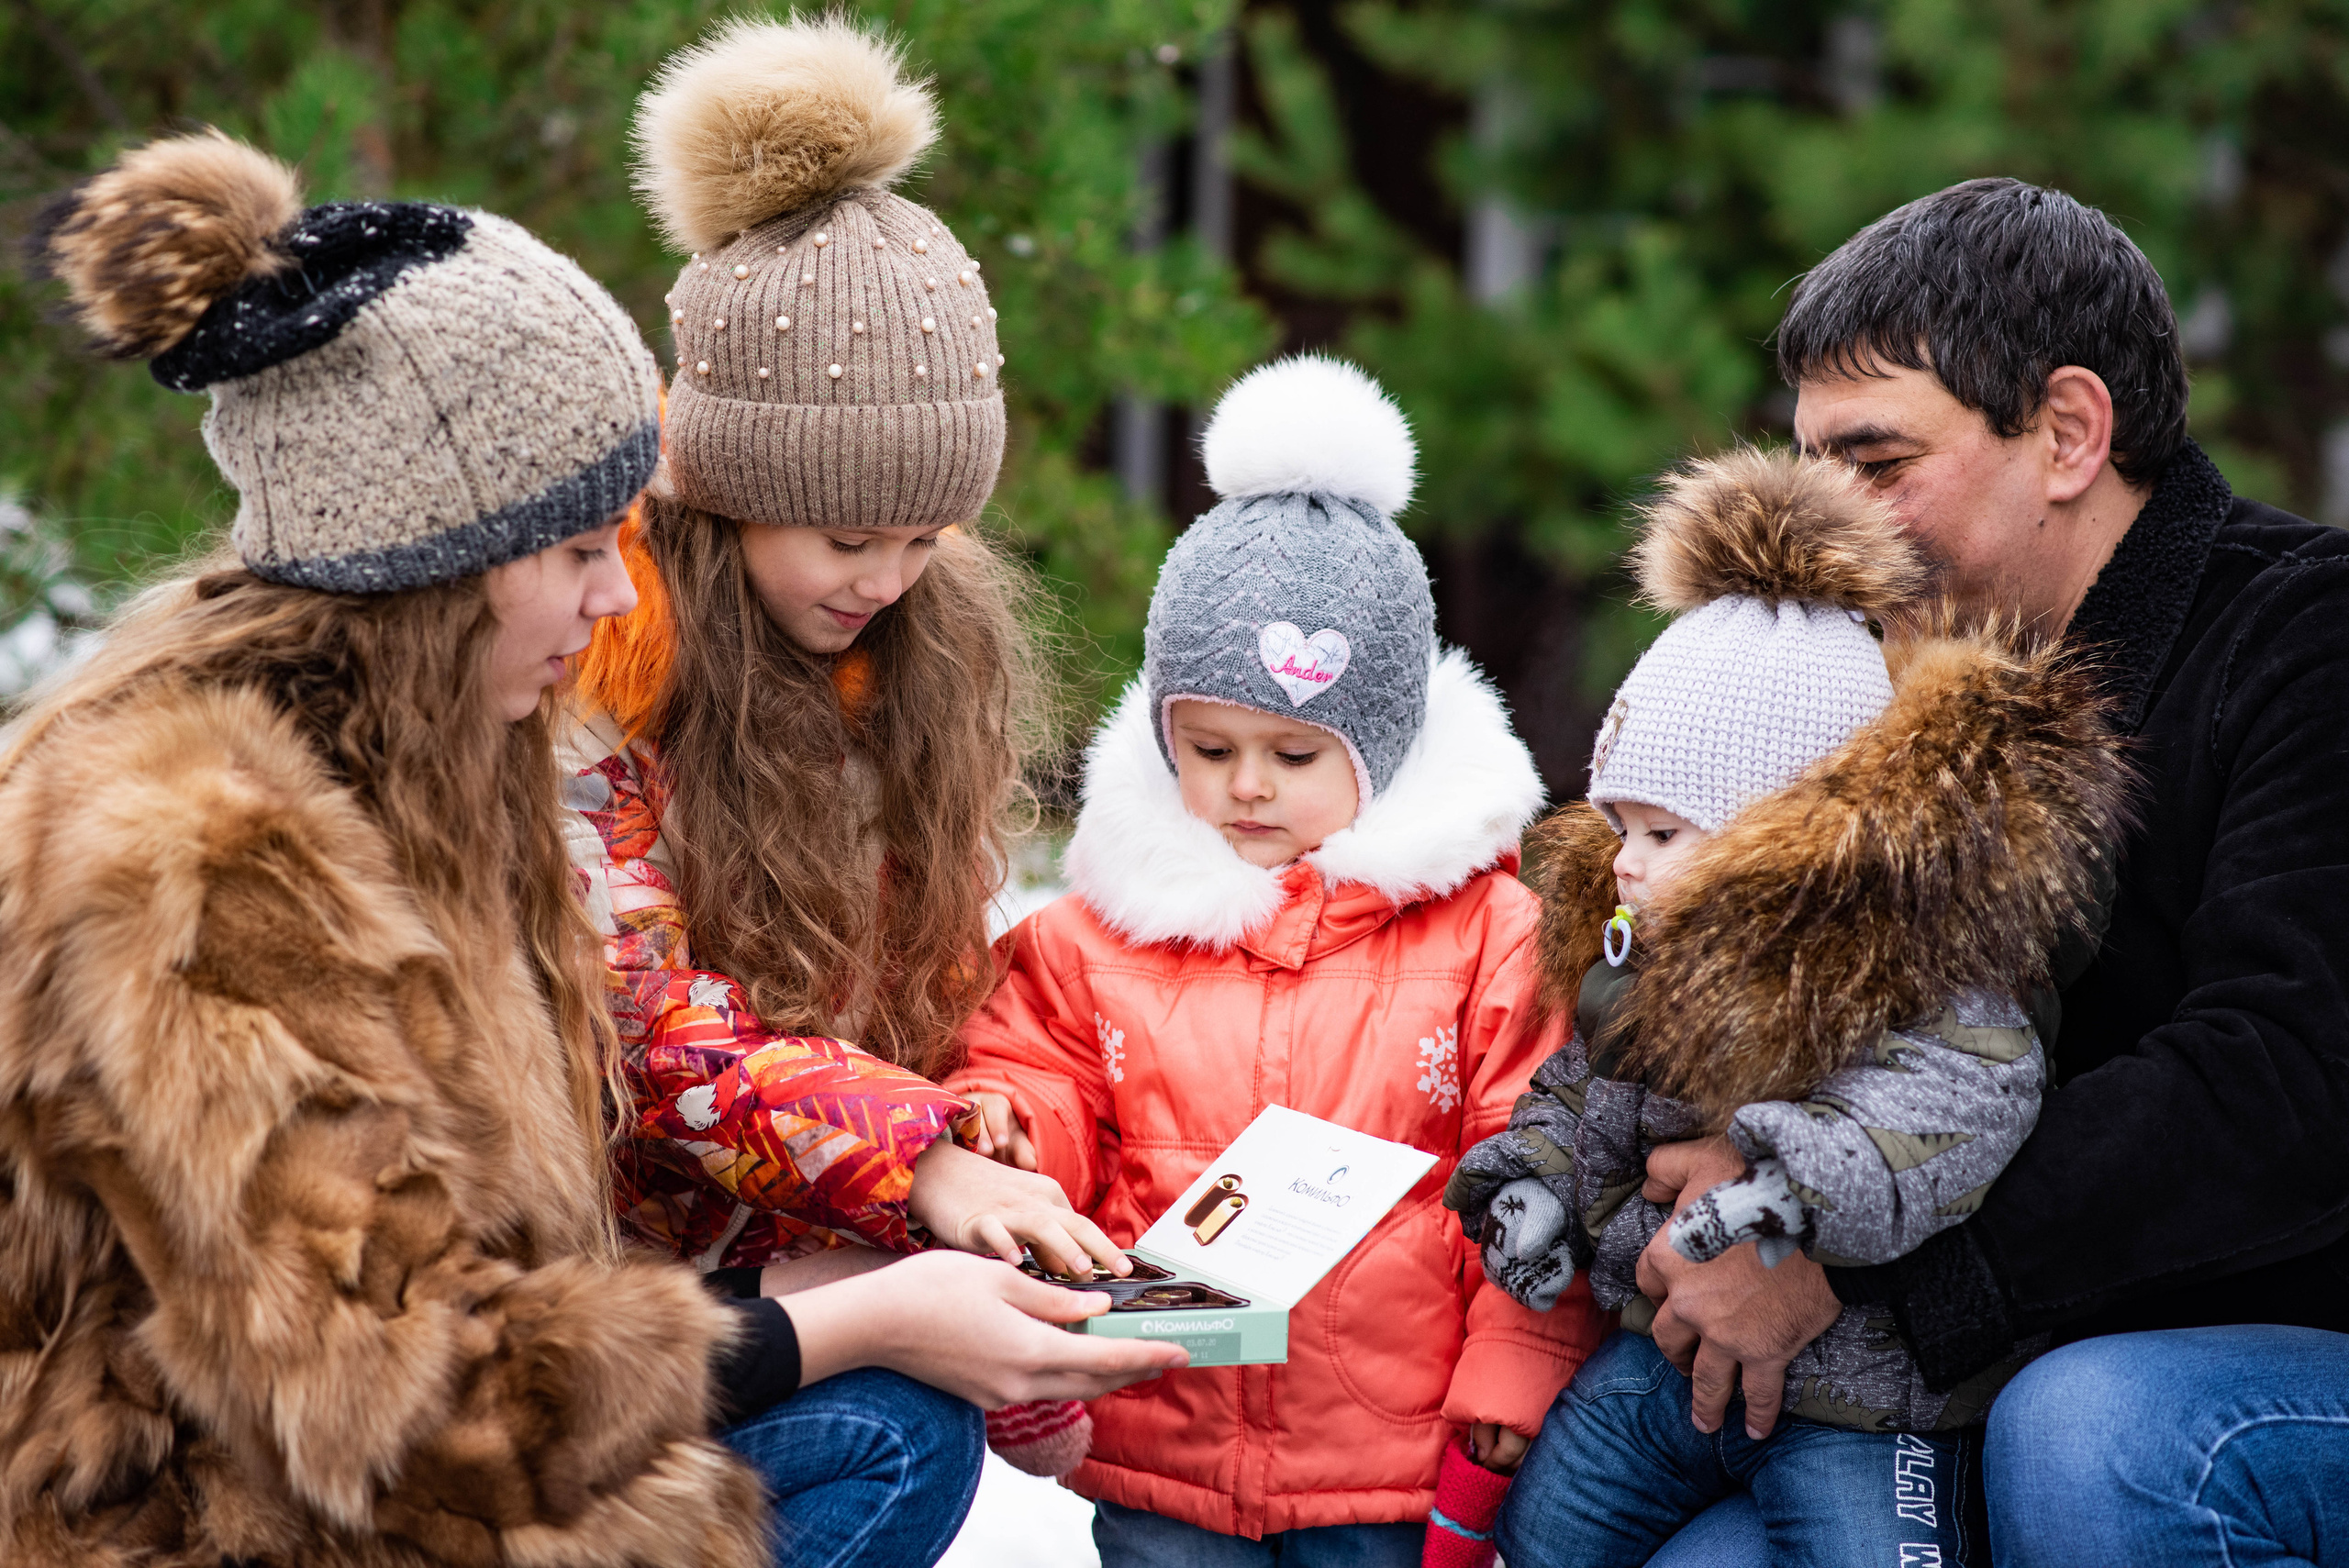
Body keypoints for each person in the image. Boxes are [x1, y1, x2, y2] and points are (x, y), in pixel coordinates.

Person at [0, 128, 765, 1567]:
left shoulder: (421, 768)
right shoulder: (199, 859)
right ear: (434, 567)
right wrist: (810, 1331)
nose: (615, 600)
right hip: (201, 1525)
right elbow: (413, 1411)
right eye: (578, 548)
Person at [1639, 177, 2349, 1566]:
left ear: (2071, 433)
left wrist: (1853, 1262)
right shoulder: (1874, 680)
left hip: (2266, 1348)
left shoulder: (2311, 641)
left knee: (2097, 1436)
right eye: (1811, 467)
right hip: (2001, 1355)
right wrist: (1747, 1163)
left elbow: (2285, 1078)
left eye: (1880, 462)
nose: (1833, 523)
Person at [559, 12, 1176, 1507]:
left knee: (925, 1425)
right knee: (900, 1437)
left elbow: (923, 998)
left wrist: (975, 1148)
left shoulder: (913, 668)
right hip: (602, 1313)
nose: (887, 578)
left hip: (790, 1260)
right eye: (848, 536)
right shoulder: (595, 670)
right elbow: (649, 1030)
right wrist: (913, 1161)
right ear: (726, 491)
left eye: (924, 537)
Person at [950, 354, 1610, 1568]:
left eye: (1296, 754)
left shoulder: (1487, 940)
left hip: (1390, 1467)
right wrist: (1002, 1133)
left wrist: (1510, 1380)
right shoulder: (1091, 941)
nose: (1247, 785)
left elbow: (1537, 1173)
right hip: (1162, 1447)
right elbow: (1038, 1091)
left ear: (1385, 747)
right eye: (1208, 745)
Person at [1443, 449, 2128, 1568]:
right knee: (1548, 1523)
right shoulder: (1647, 958)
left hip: (1873, 1399)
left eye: (1663, 833)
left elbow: (1958, 1098)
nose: (1623, 863)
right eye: (1618, 825)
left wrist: (1787, 1181)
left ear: (1781, 836)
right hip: (1672, 1356)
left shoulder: (1921, 965)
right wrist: (1533, 1186)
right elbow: (1582, 1089)